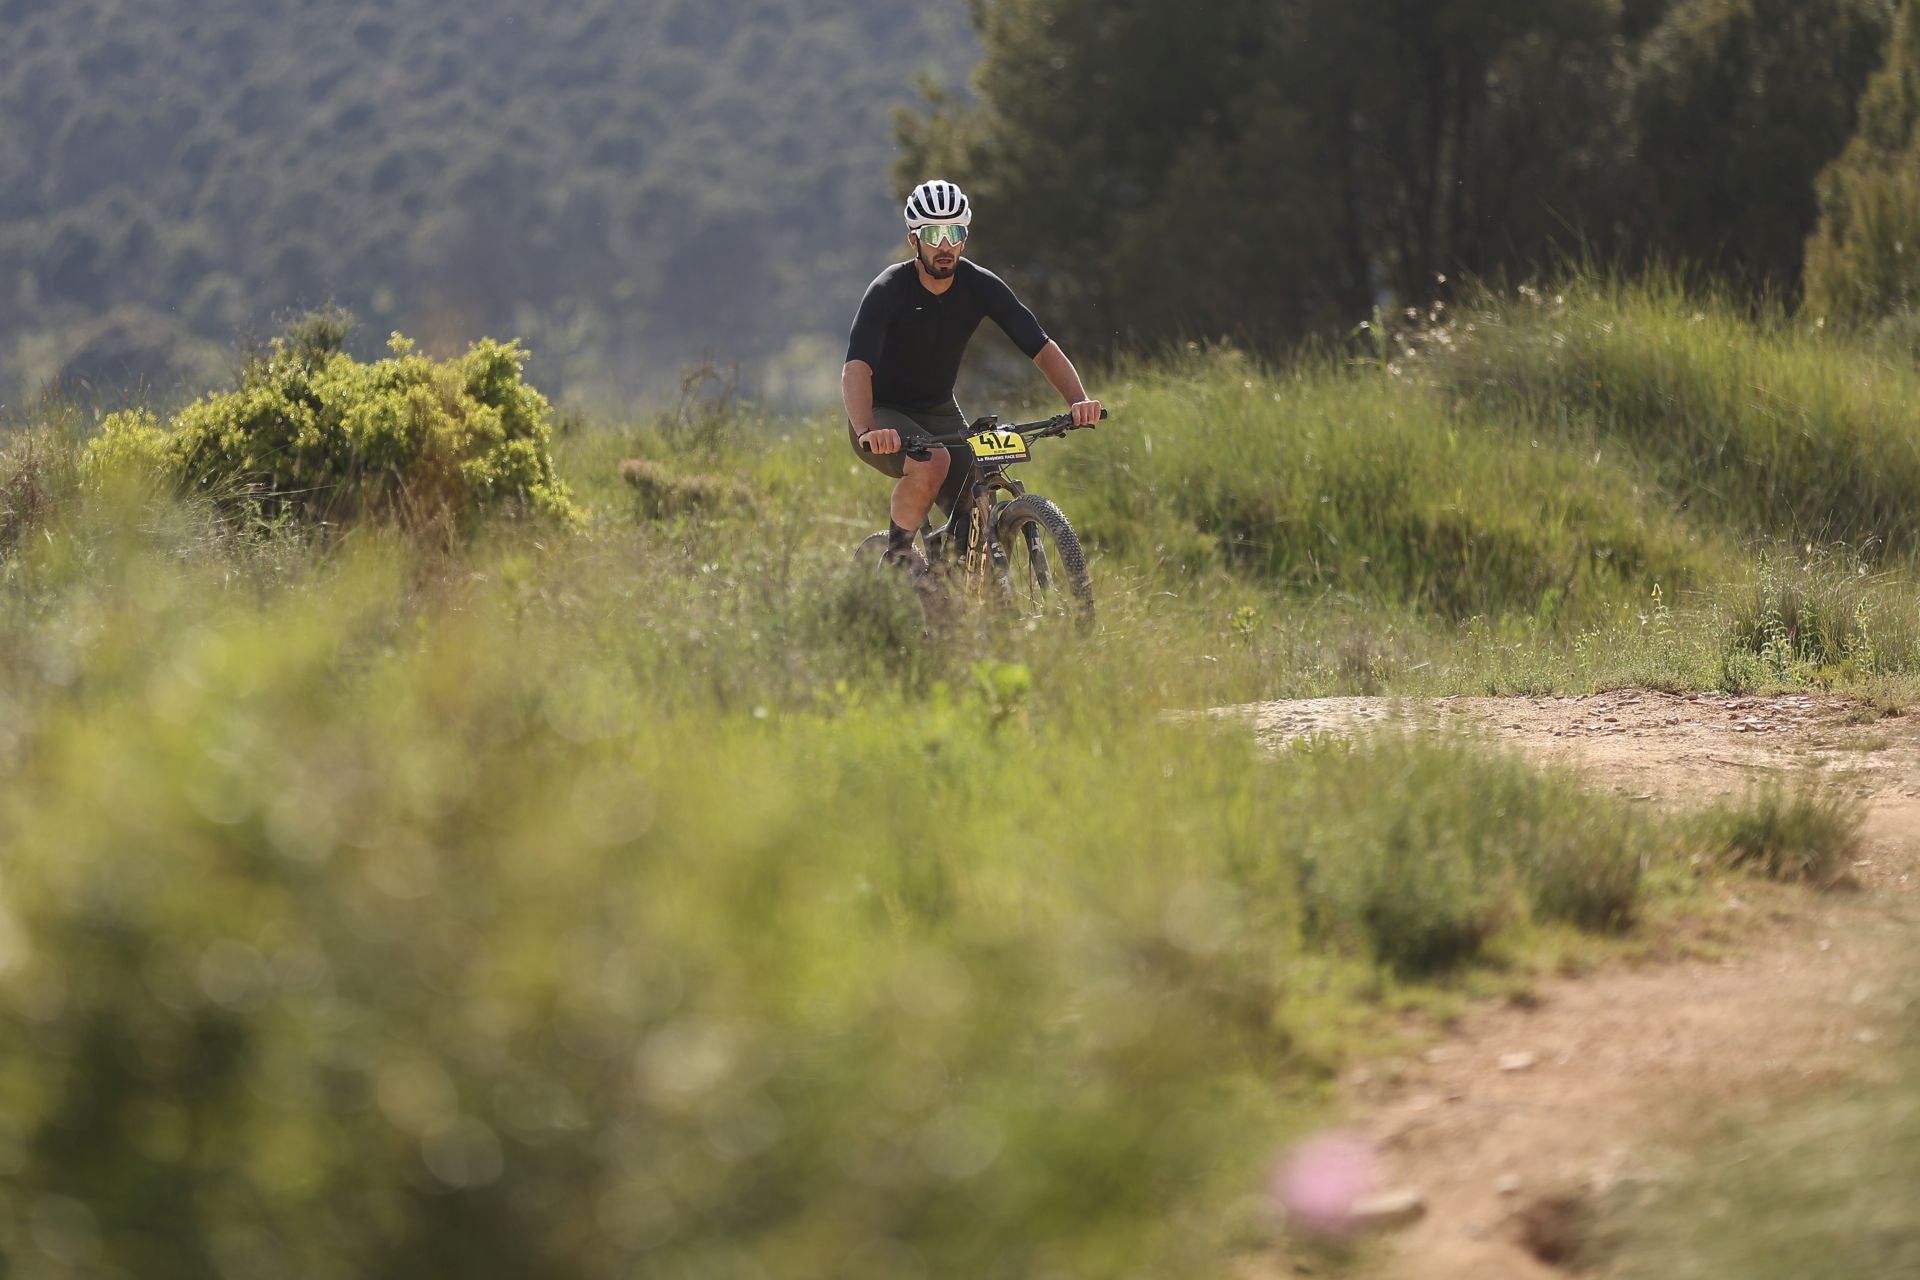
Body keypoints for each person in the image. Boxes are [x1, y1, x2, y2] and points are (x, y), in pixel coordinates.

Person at [843, 178, 1102, 567]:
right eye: (933, 233)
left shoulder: (979, 285)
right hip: (883, 412)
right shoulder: (888, 289)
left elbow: (1040, 346)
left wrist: (1078, 400)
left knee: (975, 496)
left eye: (955, 232)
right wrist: (867, 429)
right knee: (933, 462)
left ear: (964, 238)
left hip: (939, 408)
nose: (944, 245)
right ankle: (896, 565)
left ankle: (956, 599)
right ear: (915, 240)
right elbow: (856, 367)